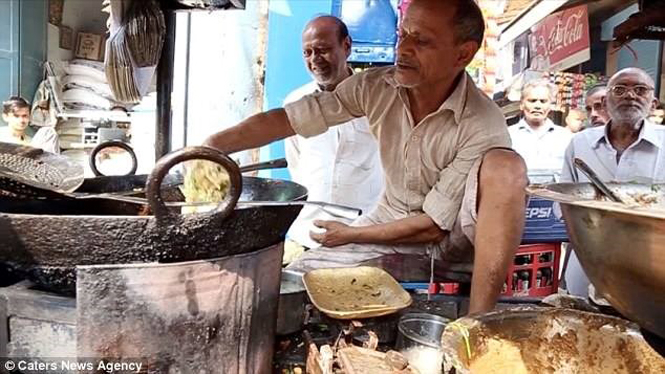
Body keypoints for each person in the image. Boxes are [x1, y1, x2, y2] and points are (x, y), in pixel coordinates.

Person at [203, 0, 527, 314]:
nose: (403, 49)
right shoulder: (376, 87)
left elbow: (433, 228)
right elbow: (289, 119)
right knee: (293, 283)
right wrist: (213, 145)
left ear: (463, 54)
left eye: (421, 40)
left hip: (456, 244)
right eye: (403, 35)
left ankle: (478, 326)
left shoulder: (483, 123)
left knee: (506, 166)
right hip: (387, 225)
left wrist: (351, 234)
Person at [561, 67, 663, 298]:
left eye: (640, 90)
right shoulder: (580, 143)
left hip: (650, 264)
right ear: (606, 101)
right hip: (589, 257)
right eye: (620, 89)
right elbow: (564, 203)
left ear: (653, 103)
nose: (630, 95)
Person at [284, 16, 384, 249]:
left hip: (363, 234)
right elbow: (296, 165)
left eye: (323, 50)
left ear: (347, 46)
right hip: (308, 235)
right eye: (307, 53)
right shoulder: (295, 102)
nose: (315, 60)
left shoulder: (377, 102)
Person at [508, 79, 572, 172]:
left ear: (550, 105)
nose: (537, 106)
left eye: (543, 101)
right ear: (522, 104)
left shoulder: (566, 137)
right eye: (532, 101)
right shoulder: (509, 135)